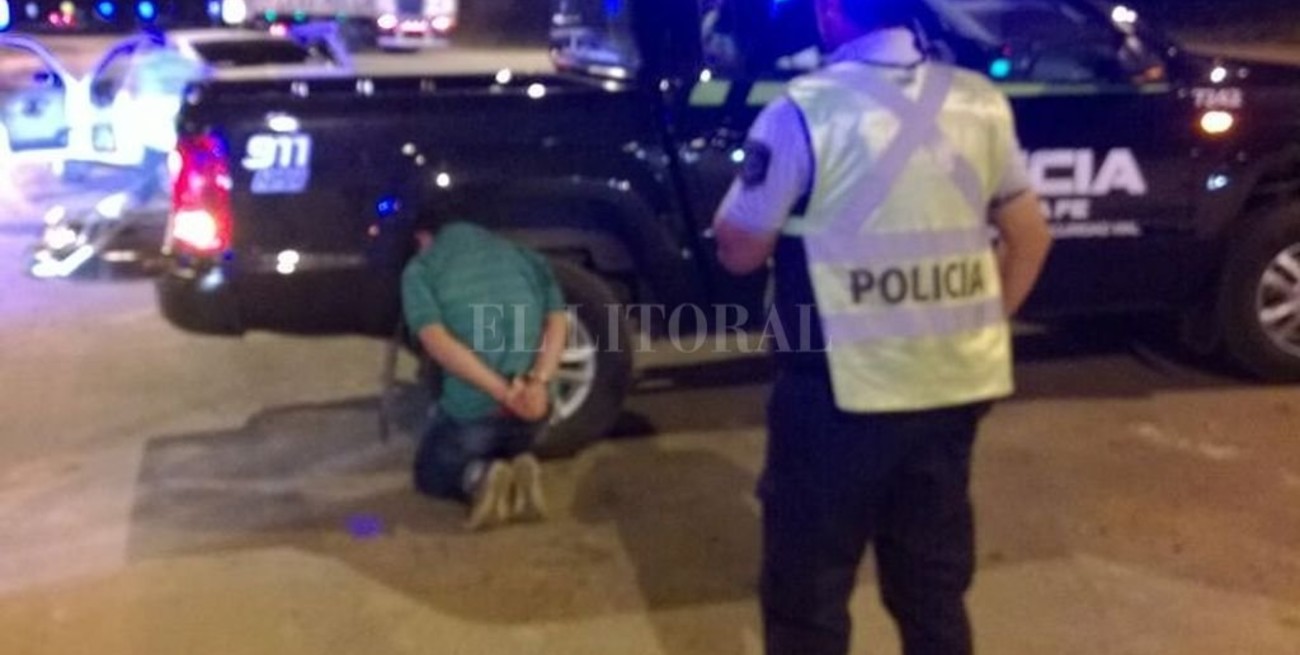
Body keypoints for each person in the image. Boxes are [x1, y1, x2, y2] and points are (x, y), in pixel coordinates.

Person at [712, 1, 1053, 653]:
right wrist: (981, 325)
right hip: (952, 391)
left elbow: (741, 249)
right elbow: (1031, 238)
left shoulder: (803, 110)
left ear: (830, 13)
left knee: (808, 599)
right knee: (932, 591)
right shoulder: (979, 102)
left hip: (837, 399)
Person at [402, 222, 569, 531]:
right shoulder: (526, 256)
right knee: (512, 433)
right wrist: (539, 383)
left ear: (423, 236)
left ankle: (479, 478)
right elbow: (557, 323)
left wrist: (503, 393)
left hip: (478, 416)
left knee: (429, 474)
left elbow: (437, 342)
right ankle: (519, 462)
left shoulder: (422, 269)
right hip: (536, 410)